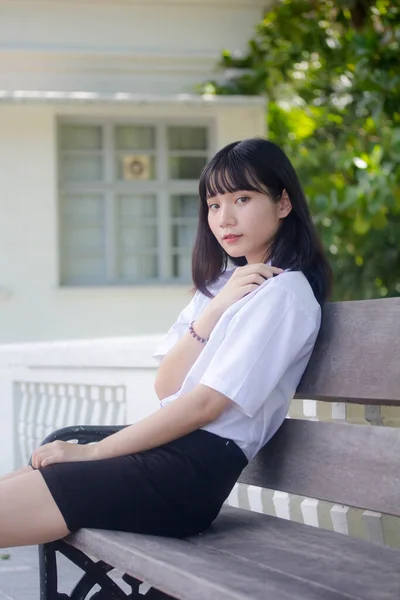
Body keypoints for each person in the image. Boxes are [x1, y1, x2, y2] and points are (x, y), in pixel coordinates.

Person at [0, 137, 332, 549]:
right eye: (214, 205)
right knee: (26, 475)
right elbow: (168, 386)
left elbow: (207, 405)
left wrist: (94, 452)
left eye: (242, 199)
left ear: (283, 203)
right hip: (167, 455)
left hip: (187, 474)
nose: (225, 218)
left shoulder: (285, 295)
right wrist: (212, 313)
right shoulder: (219, 288)